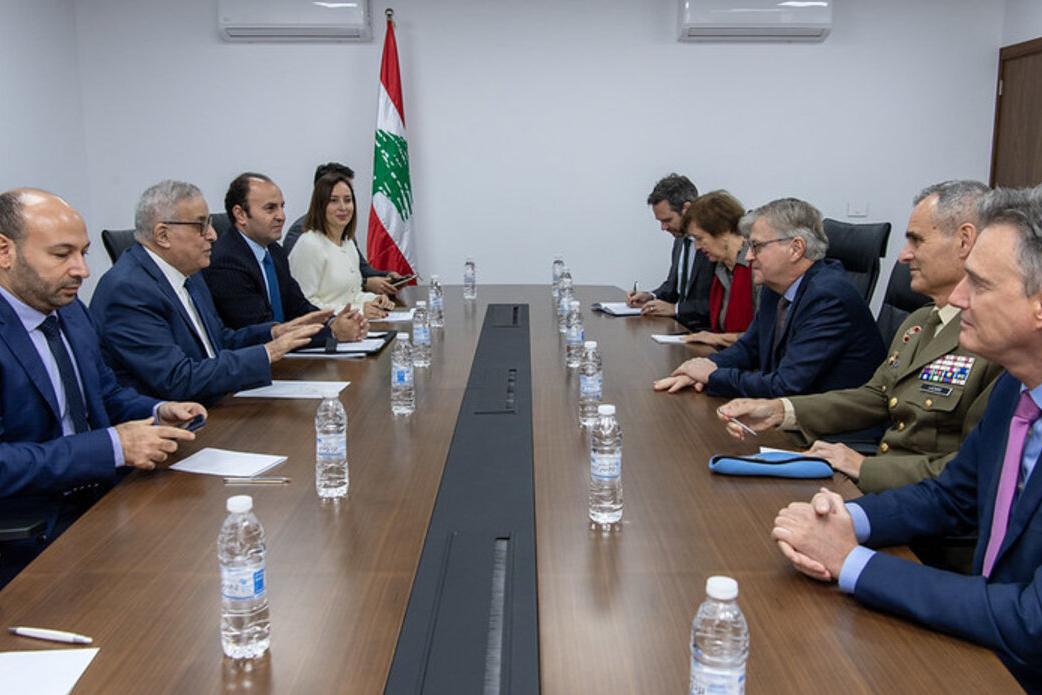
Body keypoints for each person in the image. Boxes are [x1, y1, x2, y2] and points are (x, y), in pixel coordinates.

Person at [769, 185, 1042, 691]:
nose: (959, 298)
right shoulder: (1015, 390)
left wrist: (850, 561)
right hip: (986, 649)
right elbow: (953, 495)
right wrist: (848, 517)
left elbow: (1031, 622)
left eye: (979, 285)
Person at [718, 180, 1002, 493]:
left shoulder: (996, 342)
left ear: (964, 241)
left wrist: (865, 467)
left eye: (916, 241)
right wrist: (780, 411)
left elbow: (973, 469)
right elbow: (877, 395)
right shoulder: (921, 322)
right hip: (886, 482)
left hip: (926, 507)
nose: (904, 256)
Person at [0, 188, 204, 586]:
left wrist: (157, 410)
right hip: (32, 535)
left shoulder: (71, 310)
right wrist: (111, 446)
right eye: (62, 255)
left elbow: (105, 395)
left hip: (105, 499)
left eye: (84, 252)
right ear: (4, 252)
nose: (82, 270)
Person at [91, 180, 334, 405]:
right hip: (172, 424)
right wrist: (266, 353)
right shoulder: (129, 290)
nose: (213, 235)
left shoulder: (190, 274)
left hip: (215, 402)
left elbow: (220, 341)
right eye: (201, 225)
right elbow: (177, 380)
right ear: (162, 235)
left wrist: (274, 332)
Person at [654, 198, 884, 397]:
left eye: (757, 246)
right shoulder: (776, 287)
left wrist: (713, 376)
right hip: (789, 416)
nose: (750, 256)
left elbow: (786, 384)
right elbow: (748, 348)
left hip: (832, 434)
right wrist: (706, 365)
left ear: (796, 248)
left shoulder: (828, 297)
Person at [203, 172, 378, 327]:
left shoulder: (274, 252)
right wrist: (332, 331)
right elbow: (261, 330)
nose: (281, 216)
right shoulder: (227, 261)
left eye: (282, 207)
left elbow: (299, 307)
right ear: (240, 214)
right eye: (270, 208)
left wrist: (334, 323)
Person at [282, 162, 402, 296]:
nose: (343, 207)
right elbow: (303, 300)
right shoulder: (303, 236)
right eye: (334, 199)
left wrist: (386, 278)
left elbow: (360, 269)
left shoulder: (344, 235)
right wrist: (366, 284)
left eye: (347, 198)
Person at [626, 174, 714, 330]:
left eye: (667, 220)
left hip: (706, 333)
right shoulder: (680, 240)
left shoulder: (713, 245)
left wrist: (676, 309)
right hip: (677, 329)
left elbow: (719, 305)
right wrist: (650, 296)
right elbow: (673, 287)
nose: (663, 228)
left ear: (686, 209)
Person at [678, 190, 756, 349]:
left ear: (722, 231)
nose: (697, 247)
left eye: (700, 238)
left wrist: (718, 339)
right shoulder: (721, 268)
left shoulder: (757, 267)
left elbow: (764, 335)